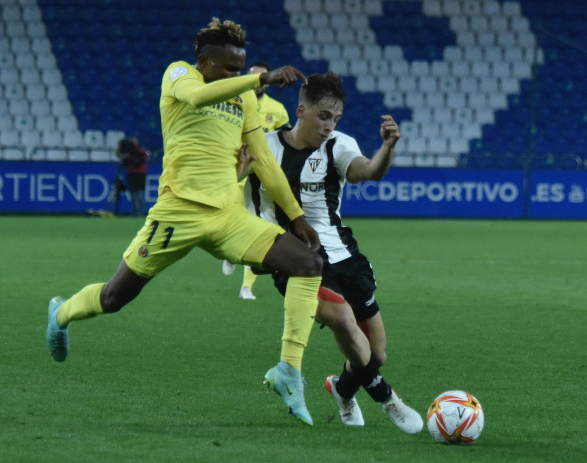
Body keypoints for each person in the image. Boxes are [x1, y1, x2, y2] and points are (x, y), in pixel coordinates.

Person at [45, 18, 323, 426]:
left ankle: (288, 370)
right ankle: (61, 313)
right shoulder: (179, 74)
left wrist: (297, 217)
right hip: (177, 212)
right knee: (113, 299)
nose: (238, 74)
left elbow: (263, 161)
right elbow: (196, 98)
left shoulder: (245, 98)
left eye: (241, 67)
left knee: (308, 263)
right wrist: (254, 81)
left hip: (228, 215)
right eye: (228, 68)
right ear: (204, 61)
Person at [244, 72, 423, 433]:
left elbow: (369, 171)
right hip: (294, 259)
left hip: (344, 255)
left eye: (336, 118)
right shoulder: (263, 147)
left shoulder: (339, 145)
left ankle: (342, 391)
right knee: (341, 317)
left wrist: (387, 148)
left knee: (376, 354)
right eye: (324, 116)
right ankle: (389, 400)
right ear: (301, 110)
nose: (330, 125)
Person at [222, 61, 291, 300]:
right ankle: (230, 253)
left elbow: (286, 139)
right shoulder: (234, 101)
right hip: (236, 169)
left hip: (260, 172)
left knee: (256, 223)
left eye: (264, 77)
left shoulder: (279, 109)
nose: (259, 81)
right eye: (255, 76)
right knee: (229, 220)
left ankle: (246, 287)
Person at [116, 136, 149, 217]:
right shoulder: (130, 153)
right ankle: (135, 211)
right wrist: (123, 155)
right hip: (131, 174)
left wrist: (129, 159)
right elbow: (125, 163)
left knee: (139, 194)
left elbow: (138, 163)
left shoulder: (141, 152)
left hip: (140, 175)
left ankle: (141, 212)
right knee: (133, 194)